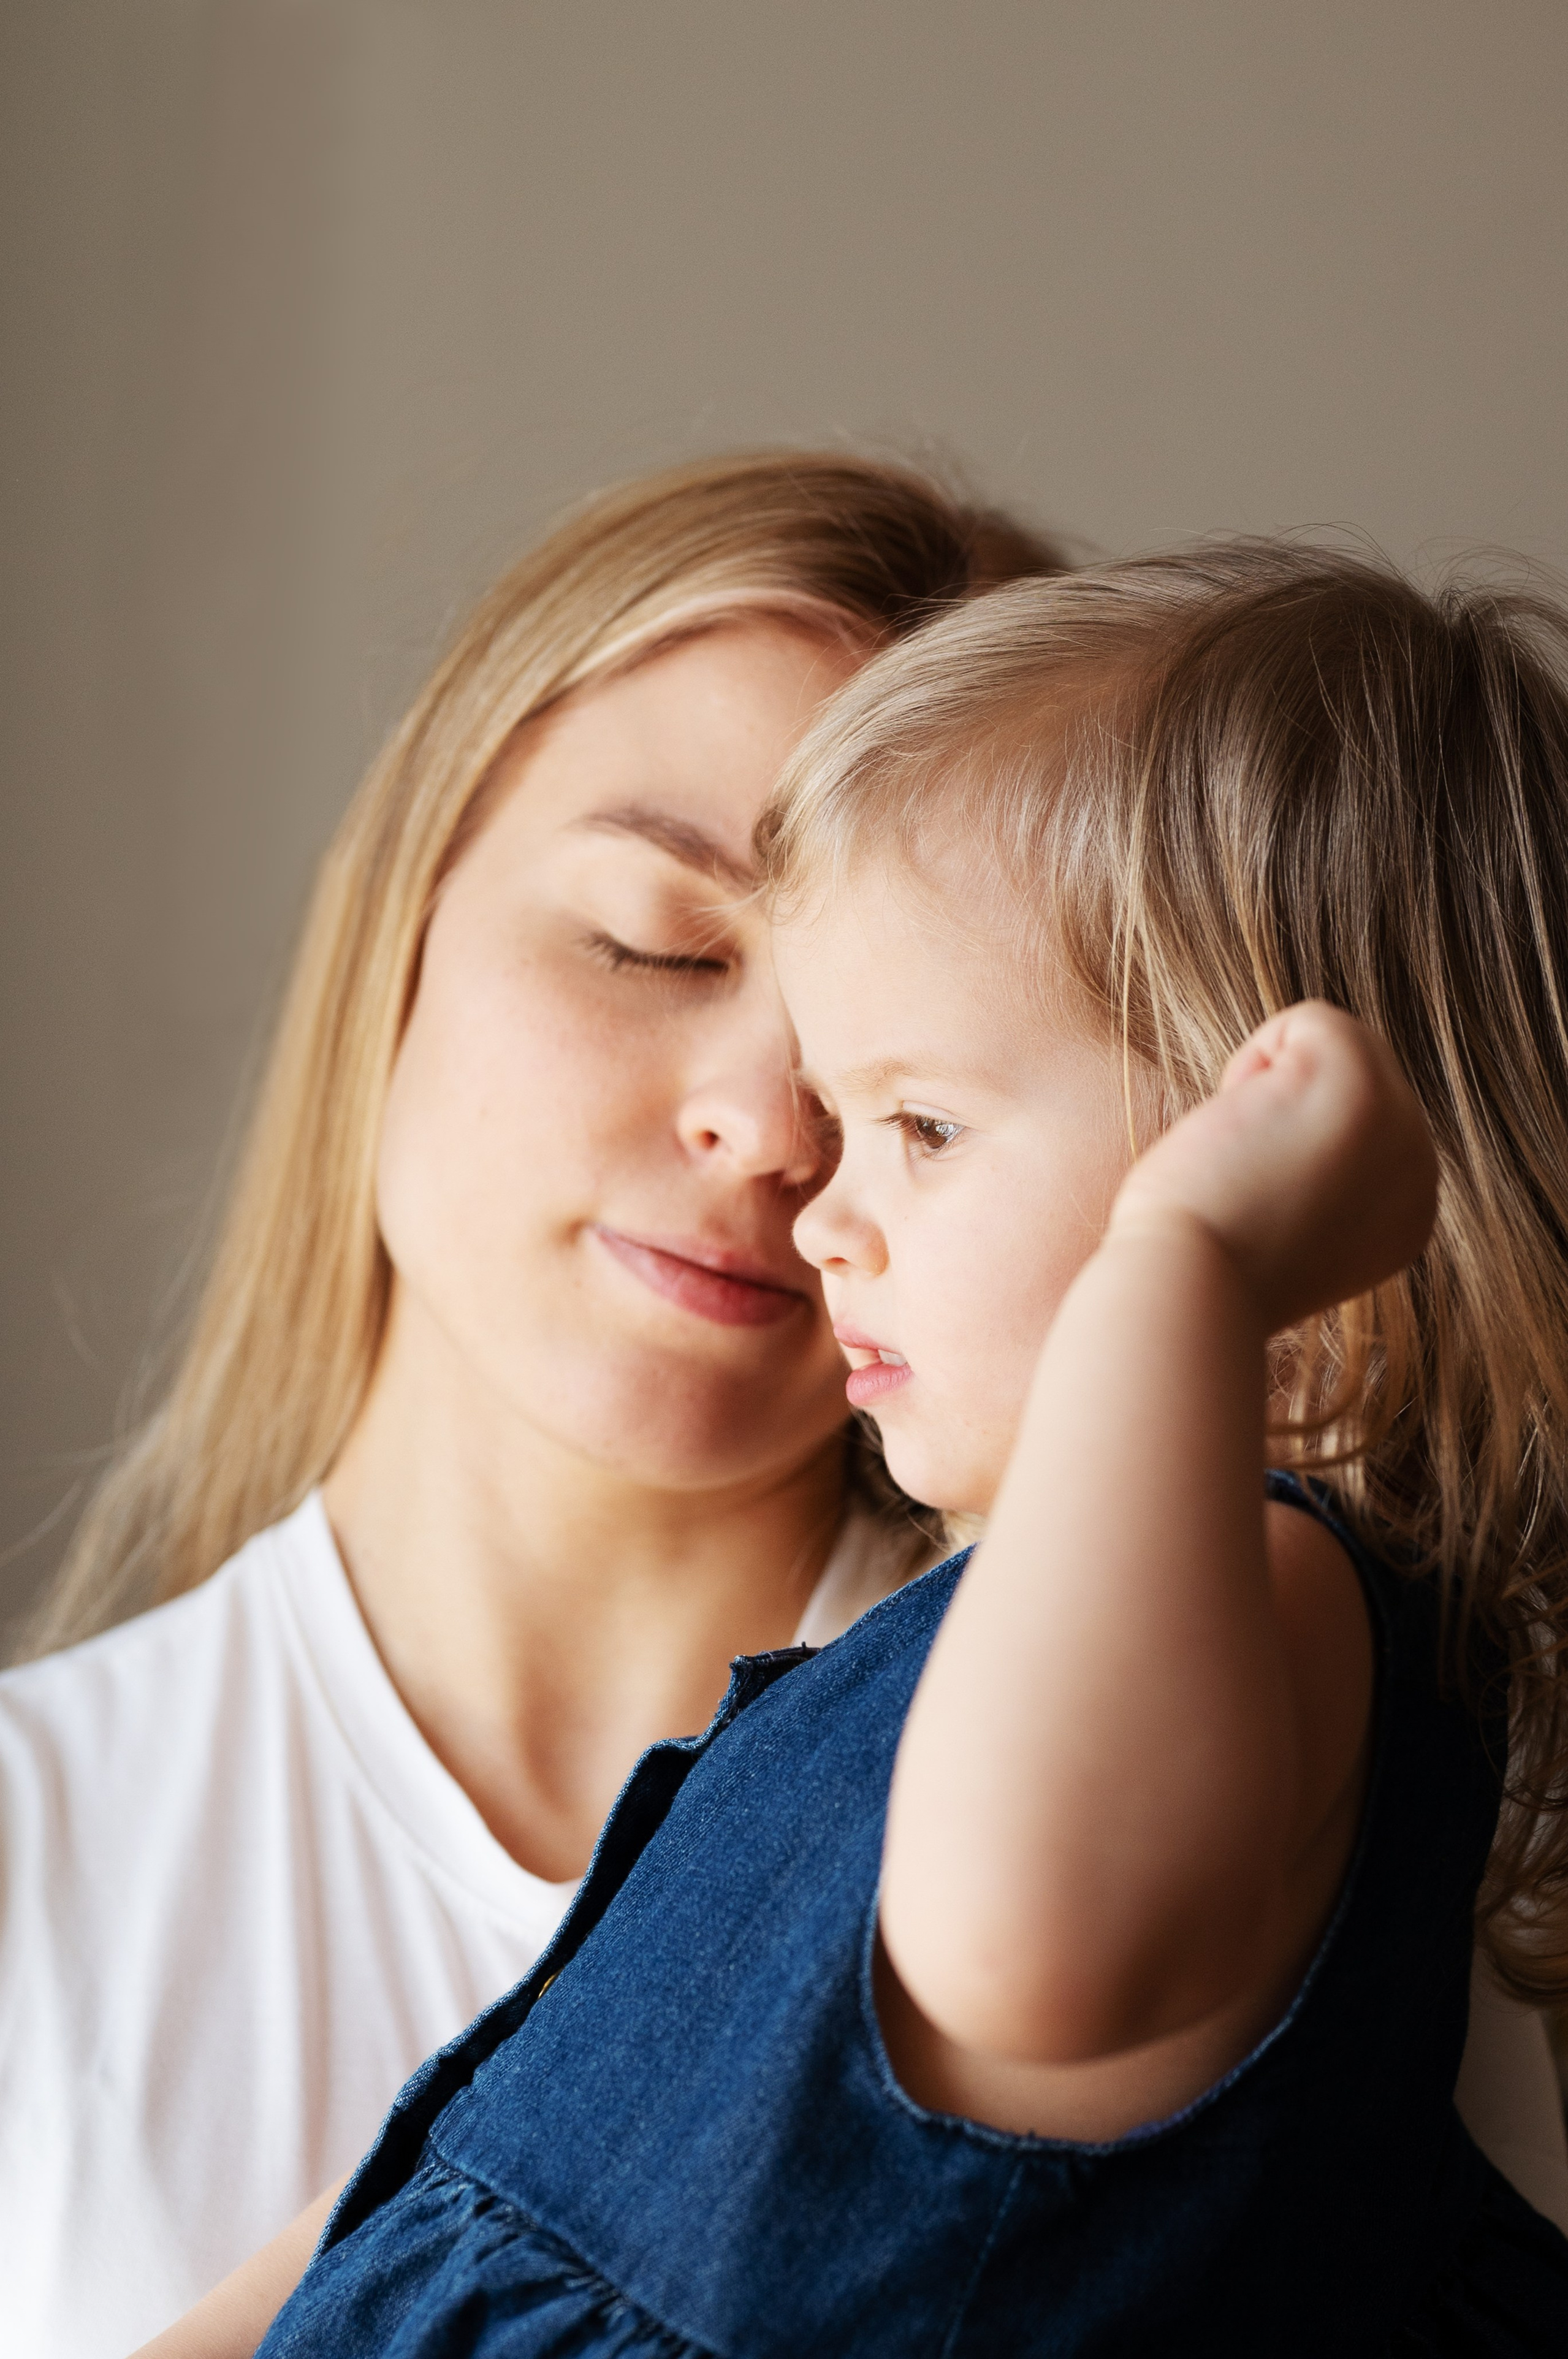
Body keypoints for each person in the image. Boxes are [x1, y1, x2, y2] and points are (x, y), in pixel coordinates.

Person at [161, 541, 1568, 2355]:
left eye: (919, 1123)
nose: (820, 1200)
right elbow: (490, 2170)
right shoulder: (891, 1687)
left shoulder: (1277, 1606)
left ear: (1308, 1200)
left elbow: (1021, 1946)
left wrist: (1185, 1275)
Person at [0, 453, 1067, 2358]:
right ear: (399, 919)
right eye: (659, 943)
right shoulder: (38, 1863)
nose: (765, 1126)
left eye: (901, 1068)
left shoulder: (1210, 1796)